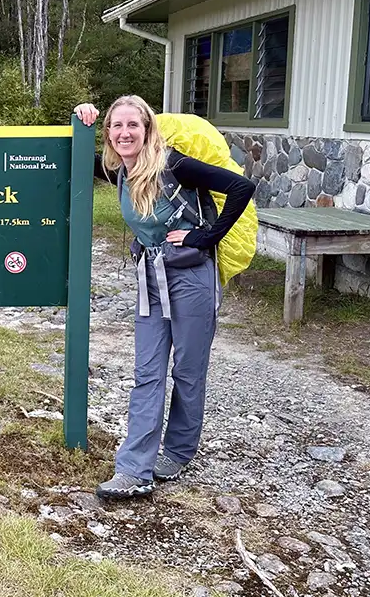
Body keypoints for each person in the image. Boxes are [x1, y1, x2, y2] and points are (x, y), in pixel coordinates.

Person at [74, 97, 255, 500]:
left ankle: (177, 452)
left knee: (188, 371)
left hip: (192, 278)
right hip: (151, 278)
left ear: (147, 129)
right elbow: (76, 156)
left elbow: (241, 187)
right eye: (116, 126)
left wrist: (205, 237)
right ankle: (134, 470)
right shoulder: (118, 169)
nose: (124, 133)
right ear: (108, 133)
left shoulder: (173, 165)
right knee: (148, 373)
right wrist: (82, 116)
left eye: (132, 126)